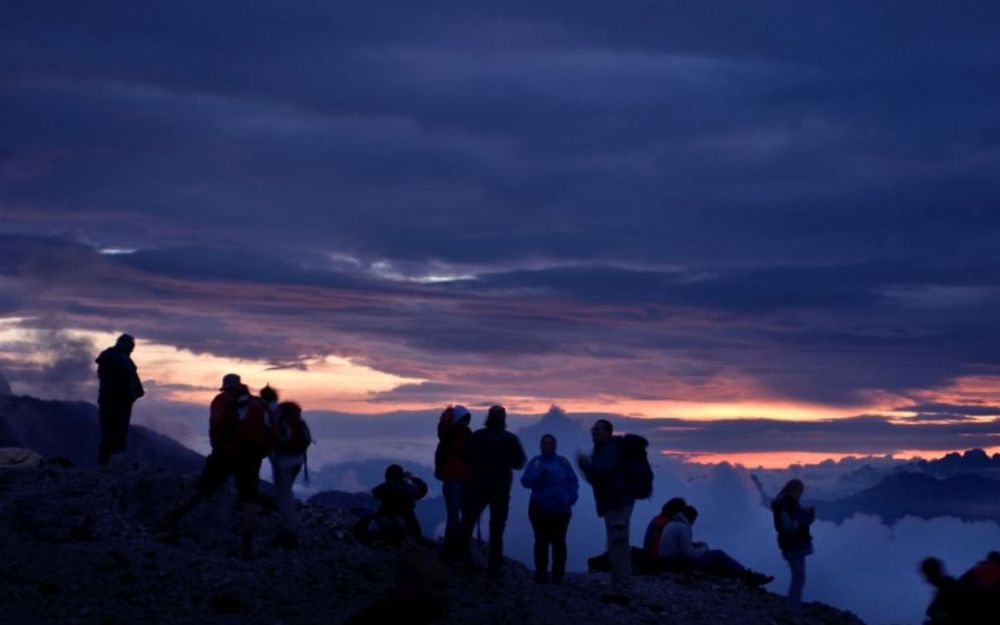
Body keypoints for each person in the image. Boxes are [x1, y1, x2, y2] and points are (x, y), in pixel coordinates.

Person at [162, 374, 273, 559]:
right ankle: (247, 546)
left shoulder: (222, 400)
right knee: (249, 499)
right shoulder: (256, 402)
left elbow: (215, 425)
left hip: (227, 454)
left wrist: (218, 450)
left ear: (225, 386)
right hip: (252, 457)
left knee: (205, 487)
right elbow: (269, 428)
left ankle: (174, 516)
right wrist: (262, 452)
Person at [576, 419, 650, 594]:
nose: (594, 432)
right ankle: (622, 583)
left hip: (617, 502)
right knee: (619, 542)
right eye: (593, 429)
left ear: (608, 432)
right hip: (620, 501)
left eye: (598, 430)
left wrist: (585, 466)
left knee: (617, 543)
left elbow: (599, 475)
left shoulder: (608, 450)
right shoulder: (606, 449)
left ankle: (621, 586)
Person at [457, 405, 526, 578]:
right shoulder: (510, 439)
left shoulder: (479, 436)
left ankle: (463, 560)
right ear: (504, 418)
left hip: (478, 486)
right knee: (496, 529)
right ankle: (494, 569)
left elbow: (465, 456)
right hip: (500, 489)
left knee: (468, 523)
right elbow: (519, 463)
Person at [661, 505, 773, 587]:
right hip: (679, 563)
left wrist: (695, 544)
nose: (694, 523)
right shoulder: (682, 528)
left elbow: (679, 546)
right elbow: (690, 555)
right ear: (690, 517)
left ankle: (740, 576)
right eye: (694, 520)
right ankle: (747, 576)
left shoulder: (672, 524)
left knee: (714, 557)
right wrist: (703, 548)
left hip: (670, 561)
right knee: (718, 554)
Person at [520, 433, 579, 583]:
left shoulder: (563, 462)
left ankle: (558, 574)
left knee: (559, 541)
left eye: (550, 444)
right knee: (541, 540)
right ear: (540, 446)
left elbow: (573, 481)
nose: (547, 446)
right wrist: (538, 476)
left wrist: (571, 499)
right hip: (539, 508)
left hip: (561, 509)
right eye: (544, 443)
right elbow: (525, 481)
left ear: (554, 446)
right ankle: (541, 573)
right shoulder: (536, 462)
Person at [262, 385, 312, 549]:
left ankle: (290, 532)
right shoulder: (287, 411)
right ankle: (285, 518)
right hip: (298, 458)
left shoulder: (267, 413)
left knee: (284, 494)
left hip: (282, 459)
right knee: (285, 490)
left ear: (264, 398)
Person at [95, 333, 144, 466]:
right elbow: (127, 382)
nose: (132, 350)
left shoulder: (109, 357)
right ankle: (112, 466)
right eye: (131, 347)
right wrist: (131, 396)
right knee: (117, 434)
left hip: (109, 402)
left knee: (109, 434)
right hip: (118, 404)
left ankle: (105, 465)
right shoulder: (121, 360)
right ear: (126, 345)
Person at [434, 405, 473, 561]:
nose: (466, 422)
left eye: (467, 420)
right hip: (454, 480)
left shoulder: (466, 435)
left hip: (464, 480)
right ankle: (451, 553)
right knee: (454, 518)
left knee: (461, 517)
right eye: (463, 419)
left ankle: (453, 551)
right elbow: (443, 432)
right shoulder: (449, 435)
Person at [771, 478, 815, 611]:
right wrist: (807, 518)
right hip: (794, 545)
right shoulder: (786, 504)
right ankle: (793, 608)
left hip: (793, 545)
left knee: (799, 576)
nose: (801, 494)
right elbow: (790, 527)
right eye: (800, 491)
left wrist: (804, 516)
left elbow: (792, 522)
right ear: (793, 489)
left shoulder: (785, 503)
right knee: (799, 577)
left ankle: (794, 606)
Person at [370, 464, 429, 546]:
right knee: (416, 533)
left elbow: (374, 492)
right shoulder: (409, 489)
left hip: (384, 518)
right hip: (408, 521)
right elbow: (423, 489)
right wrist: (412, 478)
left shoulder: (383, 488)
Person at [921, 557, 965, 625]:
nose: (927, 580)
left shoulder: (950, 589)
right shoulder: (943, 589)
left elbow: (957, 615)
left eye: (927, 576)